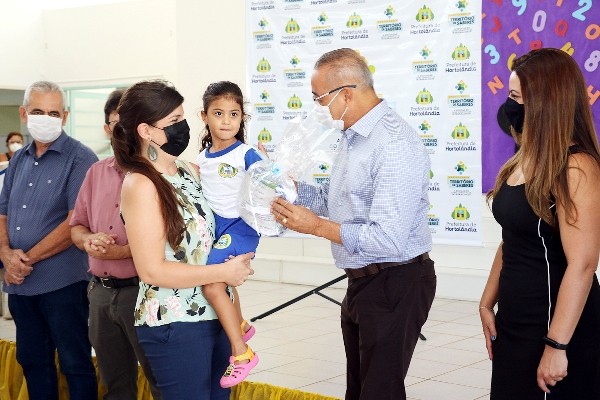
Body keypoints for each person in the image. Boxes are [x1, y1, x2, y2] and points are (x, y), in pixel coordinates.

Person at [270, 48, 437, 400]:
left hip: (395, 278)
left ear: (346, 93)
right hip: (362, 280)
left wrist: (316, 227)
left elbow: (388, 239)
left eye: (319, 98)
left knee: (379, 391)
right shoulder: (353, 137)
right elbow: (339, 202)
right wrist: (291, 190)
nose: (317, 107)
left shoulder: (393, 143)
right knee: (359, 388)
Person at [111, 80, 254, 400]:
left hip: (216, 315)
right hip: (174, 322)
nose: (184, 127)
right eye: (173, 122)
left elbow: (218, 234)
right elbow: (151, 270)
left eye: (182, 117)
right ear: (146, 131)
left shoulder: (192, 171)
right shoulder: (141, 184)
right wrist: (223, 274)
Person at [479, 48, 600, 399]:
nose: (510, 106)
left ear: (545, 102)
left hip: (554, 324)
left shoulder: (576, 167)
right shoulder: (523, 157)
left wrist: (557, 345)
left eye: (516, 97)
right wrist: (488, 302)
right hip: (515, 319)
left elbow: (583, 264)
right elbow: (513, 238)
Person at [0, 80, 98, 399]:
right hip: (20, 284)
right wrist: (5, 254)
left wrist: (25, 260)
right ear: (24, 113)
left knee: (74, 361)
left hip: (62, 284)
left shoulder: (80, 158)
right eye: (39, 111)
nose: (46, 117)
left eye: (54, 112)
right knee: (32, 360)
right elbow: (2, 212)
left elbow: (75, 219)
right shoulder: (18, 159)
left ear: (65, 117)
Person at [70, 89, 161, 399]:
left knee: (159, 378)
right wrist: (87, 240)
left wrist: (121, 252)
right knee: (115, 383)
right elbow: (77, 227)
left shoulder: (157, 173)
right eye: (115, 123)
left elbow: (171, 240)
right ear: (107, 129)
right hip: (99, 293)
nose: (122, 130)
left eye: (130, 122)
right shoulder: (95, 172)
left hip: (142, 293)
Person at [197, 81, 261, 388]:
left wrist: (271, 169)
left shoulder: (246, 153)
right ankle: (240, 324)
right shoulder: (202, 158)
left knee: (212, 284)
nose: (226, 121)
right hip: (217, 227)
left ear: (242, 118)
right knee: (220, 281)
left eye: (234, 114)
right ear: (204, 116)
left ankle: (241, 352)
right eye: (218, 113)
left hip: (241, 226)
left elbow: (269, 186)